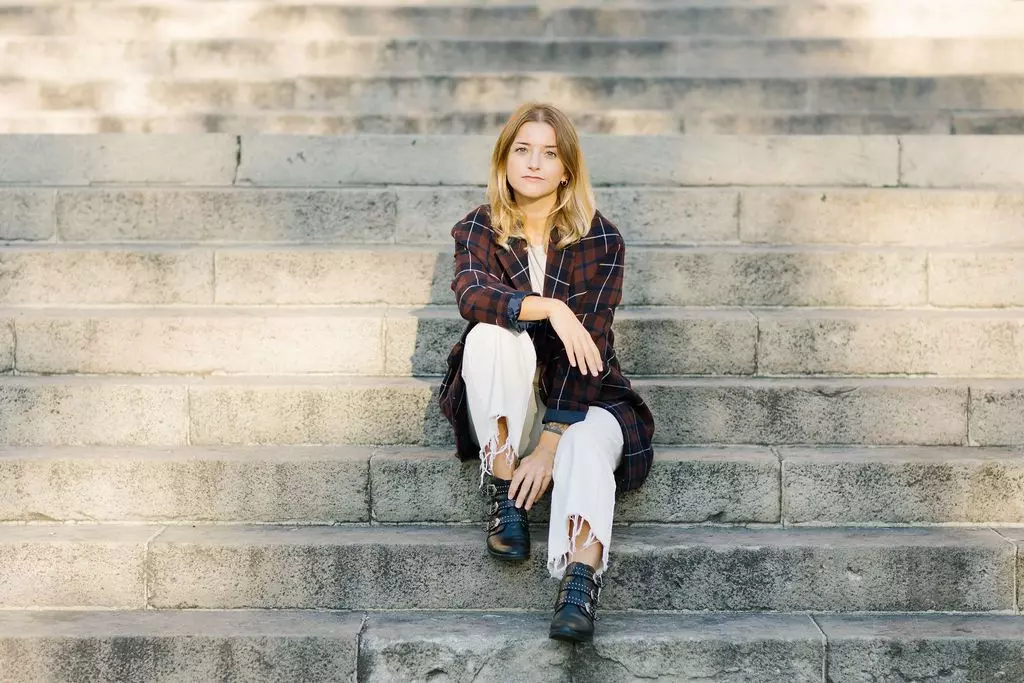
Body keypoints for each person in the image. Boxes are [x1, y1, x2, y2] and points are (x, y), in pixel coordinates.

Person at [437, 101, 655, 643]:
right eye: (523, 150)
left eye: (550, 153)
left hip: (585, 399)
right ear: (504, 160)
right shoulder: (478, 228)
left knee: (586, 441)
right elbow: (472, 295)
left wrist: (551, 444)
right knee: (490, 335)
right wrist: (552, 308)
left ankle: (580, 584)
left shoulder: (601, 240)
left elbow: (590, 350)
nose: (534, 163)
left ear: (567, 169)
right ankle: (503, 489)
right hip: (507, 407)